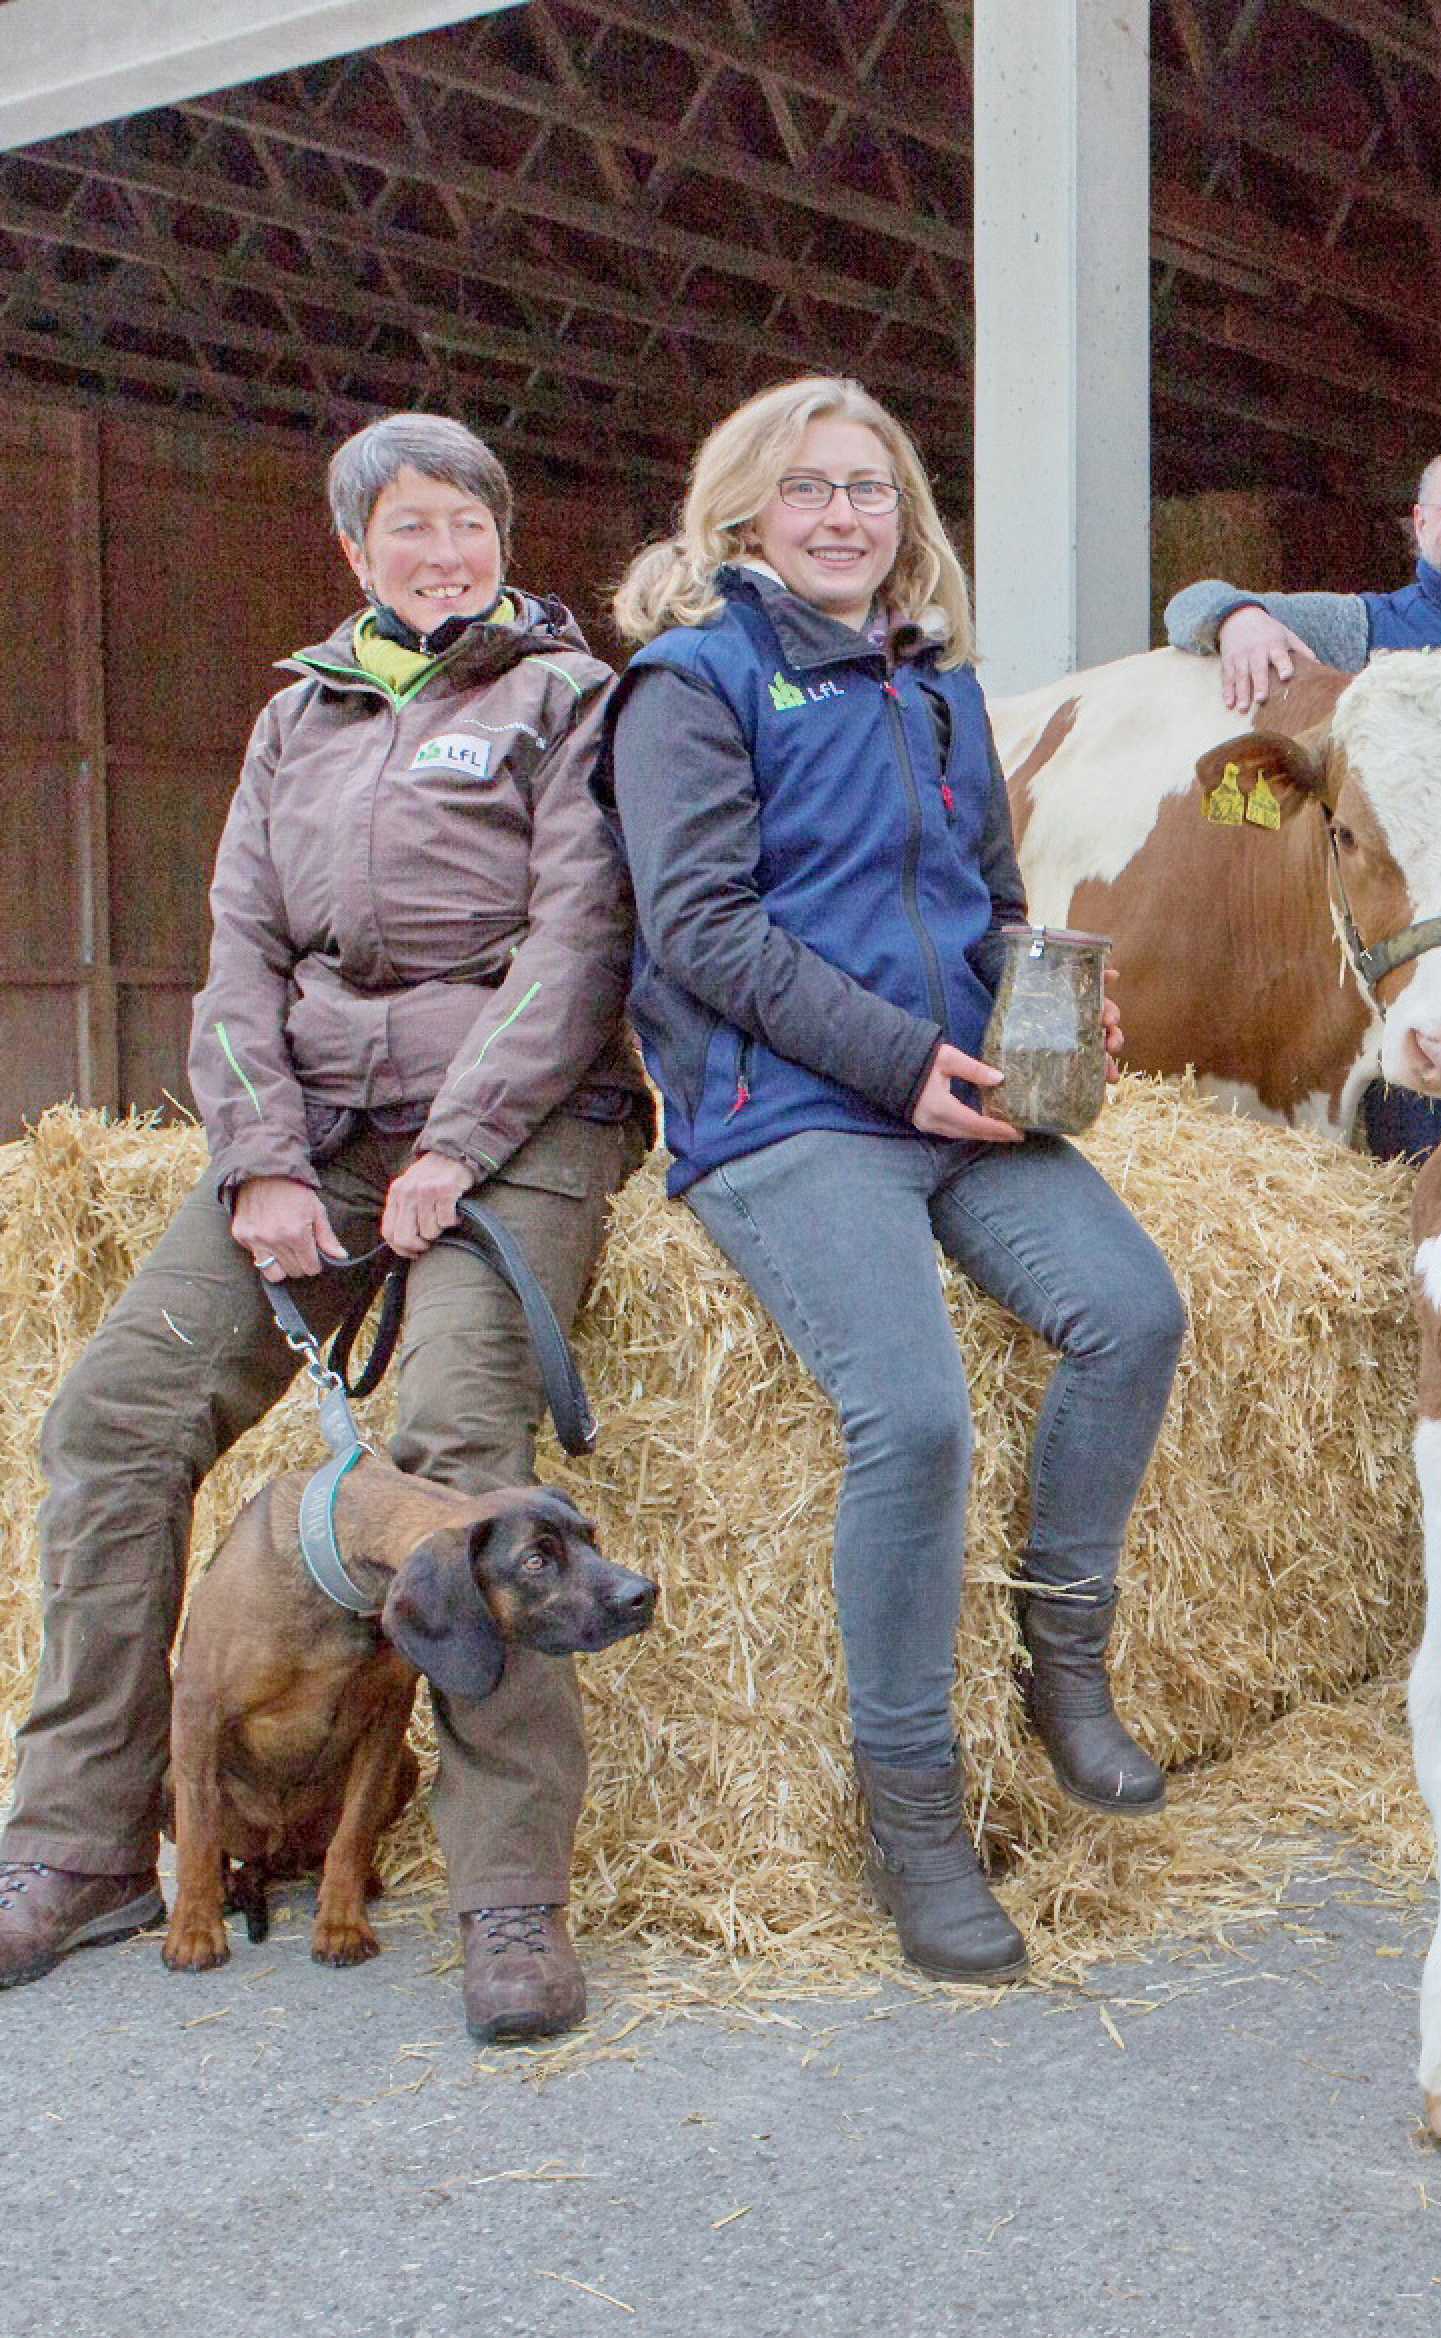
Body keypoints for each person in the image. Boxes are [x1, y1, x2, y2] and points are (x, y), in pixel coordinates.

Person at [0, 413, 643, 2042]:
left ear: (504, 542)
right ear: (354, 552)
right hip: (322, 1129)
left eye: (469, 523)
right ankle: (86, 1841)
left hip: (520, 1118)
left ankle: (508, 1893)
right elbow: (237, 959)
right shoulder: (295, 718)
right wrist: (262, 1161)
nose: (443, 552)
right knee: (113, 1414)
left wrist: (464, 1147)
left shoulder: (567, 699)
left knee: (453, 1456)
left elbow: (580, 944)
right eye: (408, 527)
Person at [603, 377, 1188, 1984]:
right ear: (743, 513)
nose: (844, 515)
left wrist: (1049, 1003)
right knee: (916, 1417)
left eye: (872, 488)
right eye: (809, 489)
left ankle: (1062, 1659)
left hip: (951, 1094)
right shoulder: (692, 681)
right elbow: (700, 927)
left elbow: (988, 903)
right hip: (787, 1109)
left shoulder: (937, 686)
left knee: (1134, 1311)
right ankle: (913, 1815)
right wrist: (896, 1059)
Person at [1164, 444, 1441, 1157]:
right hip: (1416, 991)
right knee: (1420, 1183)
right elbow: (1186, 606)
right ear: (1419, 522)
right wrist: (1238, 615)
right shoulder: (1358, 629)